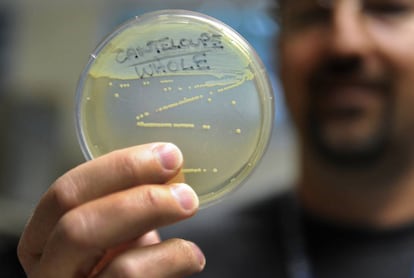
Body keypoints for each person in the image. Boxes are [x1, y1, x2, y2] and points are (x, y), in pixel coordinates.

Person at [17, 0, 414, 277]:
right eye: (312, 15)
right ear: (276, 52)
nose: (345, 43)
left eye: (388, 7)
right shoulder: (158, 261)